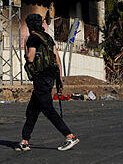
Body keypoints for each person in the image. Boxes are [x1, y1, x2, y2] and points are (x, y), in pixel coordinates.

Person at [15, 13, 80, 152]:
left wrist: (25, 48)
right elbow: (57, 57)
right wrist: (60, 78)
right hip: (50, 77)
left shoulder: (33, 38)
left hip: (41, 78)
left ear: (29, 25)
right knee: (32, 111)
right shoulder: (47, 37)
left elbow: (30, 58)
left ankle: (70, 136)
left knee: (48, 109)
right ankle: (24, 141)